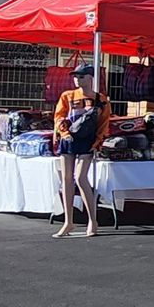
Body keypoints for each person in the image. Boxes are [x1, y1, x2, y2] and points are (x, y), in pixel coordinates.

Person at [52, 61, 108, 237]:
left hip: (87, 141)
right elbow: (59, 116)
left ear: (90, 78)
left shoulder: (101, 99)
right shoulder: (67, 96)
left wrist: (98, 142)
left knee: (81, 177)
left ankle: (92, 219)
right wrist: (63, 132)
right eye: (75, 76)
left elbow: (104, 123)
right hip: (69, 139)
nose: (77, 79)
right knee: (67, 179)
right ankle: (68, 222)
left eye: (81, 76)